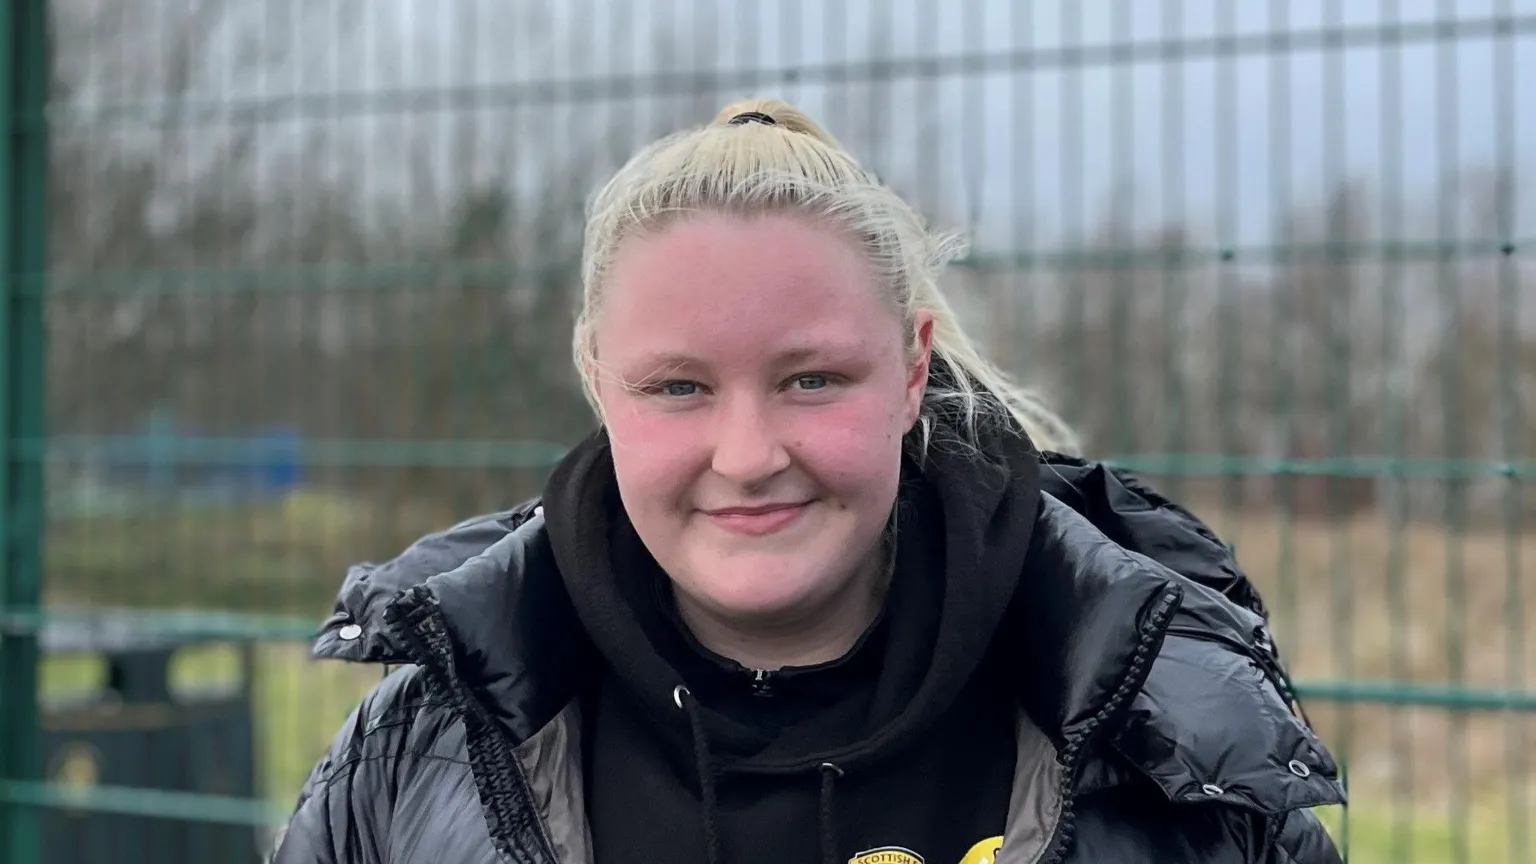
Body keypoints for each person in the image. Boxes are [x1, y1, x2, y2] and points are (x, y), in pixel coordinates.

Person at [271, 99, 1346, 864]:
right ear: (598, 378)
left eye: (812, 378)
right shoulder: (427, 748)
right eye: (680, 387)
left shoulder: (1153, 737)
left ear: (914, 368)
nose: (747, 457)